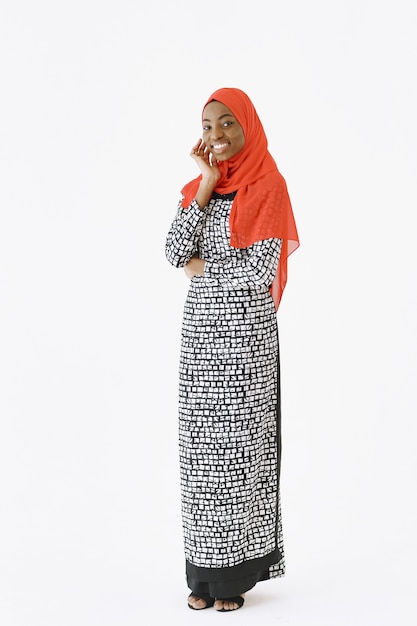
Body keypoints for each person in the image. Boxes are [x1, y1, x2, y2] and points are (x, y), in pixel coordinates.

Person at [165, 87, 299, 612]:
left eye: (227, 124)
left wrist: (204, 271)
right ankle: (201, 577)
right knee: (200, 465)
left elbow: (257, 276)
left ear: (249, 127)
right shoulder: (203, 189)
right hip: (199, 348)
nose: (216, 135)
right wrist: (205, 184)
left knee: (240, 462)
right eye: (207, 125)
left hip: (246, 351)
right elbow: (176, 252)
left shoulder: (270, 186)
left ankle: (235, 579)